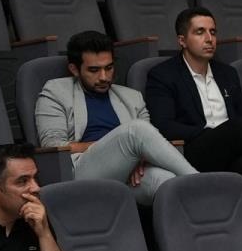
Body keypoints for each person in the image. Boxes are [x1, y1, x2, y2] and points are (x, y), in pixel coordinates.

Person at [35, 32, 199, 206]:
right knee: (136, 130)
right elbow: (53, 146)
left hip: (130, 174)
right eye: (94, 70)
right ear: (74, 69)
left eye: (109, 68)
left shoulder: (132, 97)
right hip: (81, 171)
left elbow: (150, 143)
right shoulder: (56, 92)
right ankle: (202, 184)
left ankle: (204, 213)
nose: (104, 77)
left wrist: (131, 158)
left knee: (168, 182)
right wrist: (126, 152)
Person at [144, 7, 242, 194]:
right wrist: (208, 132)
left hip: (232, 147)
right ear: (182, 41)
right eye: (200, 32)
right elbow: (163, 125)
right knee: (239, 127)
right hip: (192, 151)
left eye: (213, 32)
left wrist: (229, 134)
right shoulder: (163, 75)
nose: (209, 39)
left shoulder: (227, 73)